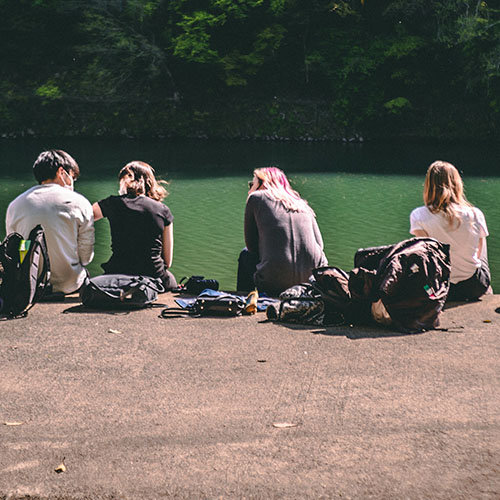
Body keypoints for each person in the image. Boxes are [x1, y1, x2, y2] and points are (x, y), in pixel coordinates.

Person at [6, 149, 94, 294]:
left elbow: (16, 248)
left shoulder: (16, 204)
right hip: (69, 284)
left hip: (29, 285)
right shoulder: (80, 202)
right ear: (61, 172)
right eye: (72, 177)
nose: (72, 182)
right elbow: (86, 257)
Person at [237, 167, 328, 296]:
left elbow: (251, 247)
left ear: (263, 184)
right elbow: (320, 245)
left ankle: (245, 300)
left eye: (252, 184)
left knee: (245, 254)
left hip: (274, 282)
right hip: (312, 281)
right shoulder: (301, 204)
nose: (250, 188)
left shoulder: (256, 197)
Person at [410, 160, 491, 301]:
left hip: (441, 289)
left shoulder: (418, 215)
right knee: (481, 245)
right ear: (457, 184)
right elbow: (477, 253)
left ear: (429, 185)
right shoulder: (474, 214)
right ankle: (488, 290)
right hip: (475, 287)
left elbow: (427, 257)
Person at [92, 161, 177, 290]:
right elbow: (168, 261)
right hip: (155, 277)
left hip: (117, 274)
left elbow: (84, 216)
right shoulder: (163, 210)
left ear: (127, 180)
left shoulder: (112, 204)